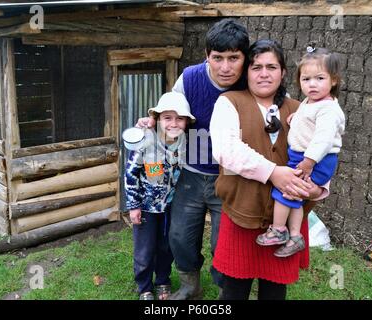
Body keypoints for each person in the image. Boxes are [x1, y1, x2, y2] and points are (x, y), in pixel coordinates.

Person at [136, 18, 250, 299]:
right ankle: (190, 286)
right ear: (207, 56)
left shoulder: (252, 82)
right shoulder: (190, 77)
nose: (225, 67)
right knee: (180, 237)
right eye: (217, 58)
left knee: (224, 242)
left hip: (232, 177)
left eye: (234, 58)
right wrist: (154, 120)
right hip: (190, 172)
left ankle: (228, 289)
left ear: (244, 59)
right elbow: (172, 109)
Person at [209, 39, 330, 300]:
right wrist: (274, 173)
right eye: (256, 67)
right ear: (247, 72)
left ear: (284, 72)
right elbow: (226, 149)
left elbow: (327, 149)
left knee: (275, 292)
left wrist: (319, 187)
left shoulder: (302, 109)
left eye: (272, 67)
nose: (264, 74)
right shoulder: (229, 103)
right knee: (233, 292)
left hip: (286, 222)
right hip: (242, 213)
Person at [256, 45, 345, 258]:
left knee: (285, 191)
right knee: (295, 195)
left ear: (334, 80)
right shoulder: (312, 102)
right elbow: (309, 120)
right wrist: (297, 119)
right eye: (306, 79)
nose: (312, 84)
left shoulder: (328, 109)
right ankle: (295, 235)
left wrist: (309, 162)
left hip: (314, 160)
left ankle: (278, 230)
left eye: (320, 78)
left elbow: (323, 139)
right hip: (304, 157)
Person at [124, 92, 195, 300]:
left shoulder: (186, 142)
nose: (174, 123)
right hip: (146, 207)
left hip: (172, 206)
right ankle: (144, 286)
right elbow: (130, 174)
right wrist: (134, 205)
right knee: (145, 250)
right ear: (157, 119)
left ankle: (163, 280)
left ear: (187, 121)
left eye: (179, 118)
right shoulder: (145, 141)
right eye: (167, 118)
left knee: (167, 247)